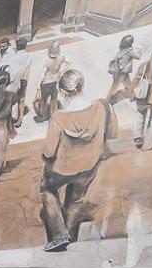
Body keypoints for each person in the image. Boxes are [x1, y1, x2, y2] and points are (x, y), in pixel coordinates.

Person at [38, 67, 113, 252]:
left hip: (63, 168)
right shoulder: (99, 108)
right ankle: (70, 233)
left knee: (46, 188)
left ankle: (58, 235)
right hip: (89, 165)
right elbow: (108, 135)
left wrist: (47, 158)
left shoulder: (58, 117)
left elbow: (48, 151)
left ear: (62, 92)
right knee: (76, 197)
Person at [31, 37, 67, 124]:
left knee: (43, 100)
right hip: (55, 81)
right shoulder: (62, 57)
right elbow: (70, 62)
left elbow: (43, 73)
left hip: (46, 83)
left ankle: (43, 116)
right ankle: (53, 116)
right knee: (54, 99)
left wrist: (38, 84)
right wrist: (61, 71)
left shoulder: (47, 60)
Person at [106, 31, 144, 104]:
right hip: (123, 72)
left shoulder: (121, 50)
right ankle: (106, 101)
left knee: (128, 85)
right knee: (115, 86)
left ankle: (133, 98)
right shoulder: (130, 51)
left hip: (119, 71)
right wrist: (140, 50)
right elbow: (138, 57)